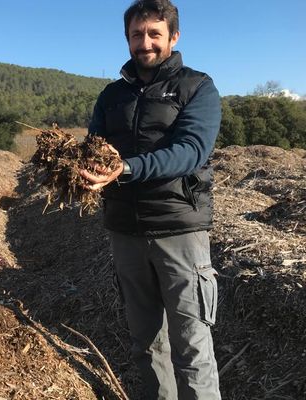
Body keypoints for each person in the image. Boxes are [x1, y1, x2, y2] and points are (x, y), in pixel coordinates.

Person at [79, 0, 222, 399]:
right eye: (137, 34)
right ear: (127, 38)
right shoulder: (111, 96)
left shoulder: (197, 87)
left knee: (192, 347)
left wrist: (125, 169)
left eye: (154, 33)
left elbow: (191, 150)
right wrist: (76, 166)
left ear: (173, 37)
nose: (145, 42)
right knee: (146, 344)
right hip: (125, 231)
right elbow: (94, 145)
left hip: (179, 229)